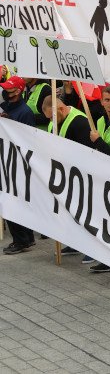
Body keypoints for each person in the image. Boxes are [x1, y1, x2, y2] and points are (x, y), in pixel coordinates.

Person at [0, 76, 36, 255]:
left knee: (11, 202)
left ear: (19, 91)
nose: (6, 92)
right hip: (6, 160)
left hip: (17, 164)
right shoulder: (7, 106)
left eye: (10, 89)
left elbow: (28, 139)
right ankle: (27, 238)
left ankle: (20, 240)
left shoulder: (25, 112)